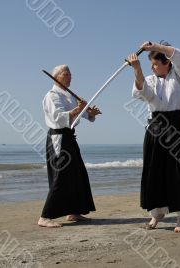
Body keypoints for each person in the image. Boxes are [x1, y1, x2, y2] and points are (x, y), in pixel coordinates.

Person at [127, 41, 180, 232]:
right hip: (157, 126)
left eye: (156, 63)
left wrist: (155, 46)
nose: (153, 67)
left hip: (179, 125)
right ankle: (156, 213)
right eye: (150, 63)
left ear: (167, 62)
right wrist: (137, 69)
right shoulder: (149, 79)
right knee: (154, 171)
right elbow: (144, 95)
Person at [38, 64, 101, 228]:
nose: (69, 77)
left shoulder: (69, 95)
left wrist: (90, 113)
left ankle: (73, 212)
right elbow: (58, 117)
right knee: (62, 175)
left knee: (77, 174)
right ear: (56, 76)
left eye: (70, 74)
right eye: (65, 74)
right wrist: (77, 109)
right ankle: (45, 217)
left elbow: (81, 114)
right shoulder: (52, 96)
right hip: (58, 138)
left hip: (69, 137)